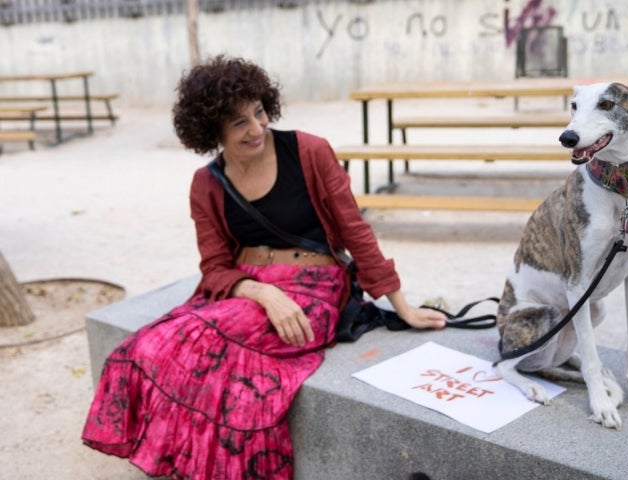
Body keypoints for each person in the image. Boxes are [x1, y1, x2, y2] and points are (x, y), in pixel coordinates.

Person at [81, 55, 446, 479]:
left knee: (209, 353)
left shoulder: (310, 151)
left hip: (315, 285)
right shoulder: (207, 183)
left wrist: (400, 304)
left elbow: (354, 231)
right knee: (145, 349)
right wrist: (262, 291)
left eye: (259, 112)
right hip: (247, 288)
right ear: (212, 130)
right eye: (238, 123)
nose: (256, 128)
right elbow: (215, 268)